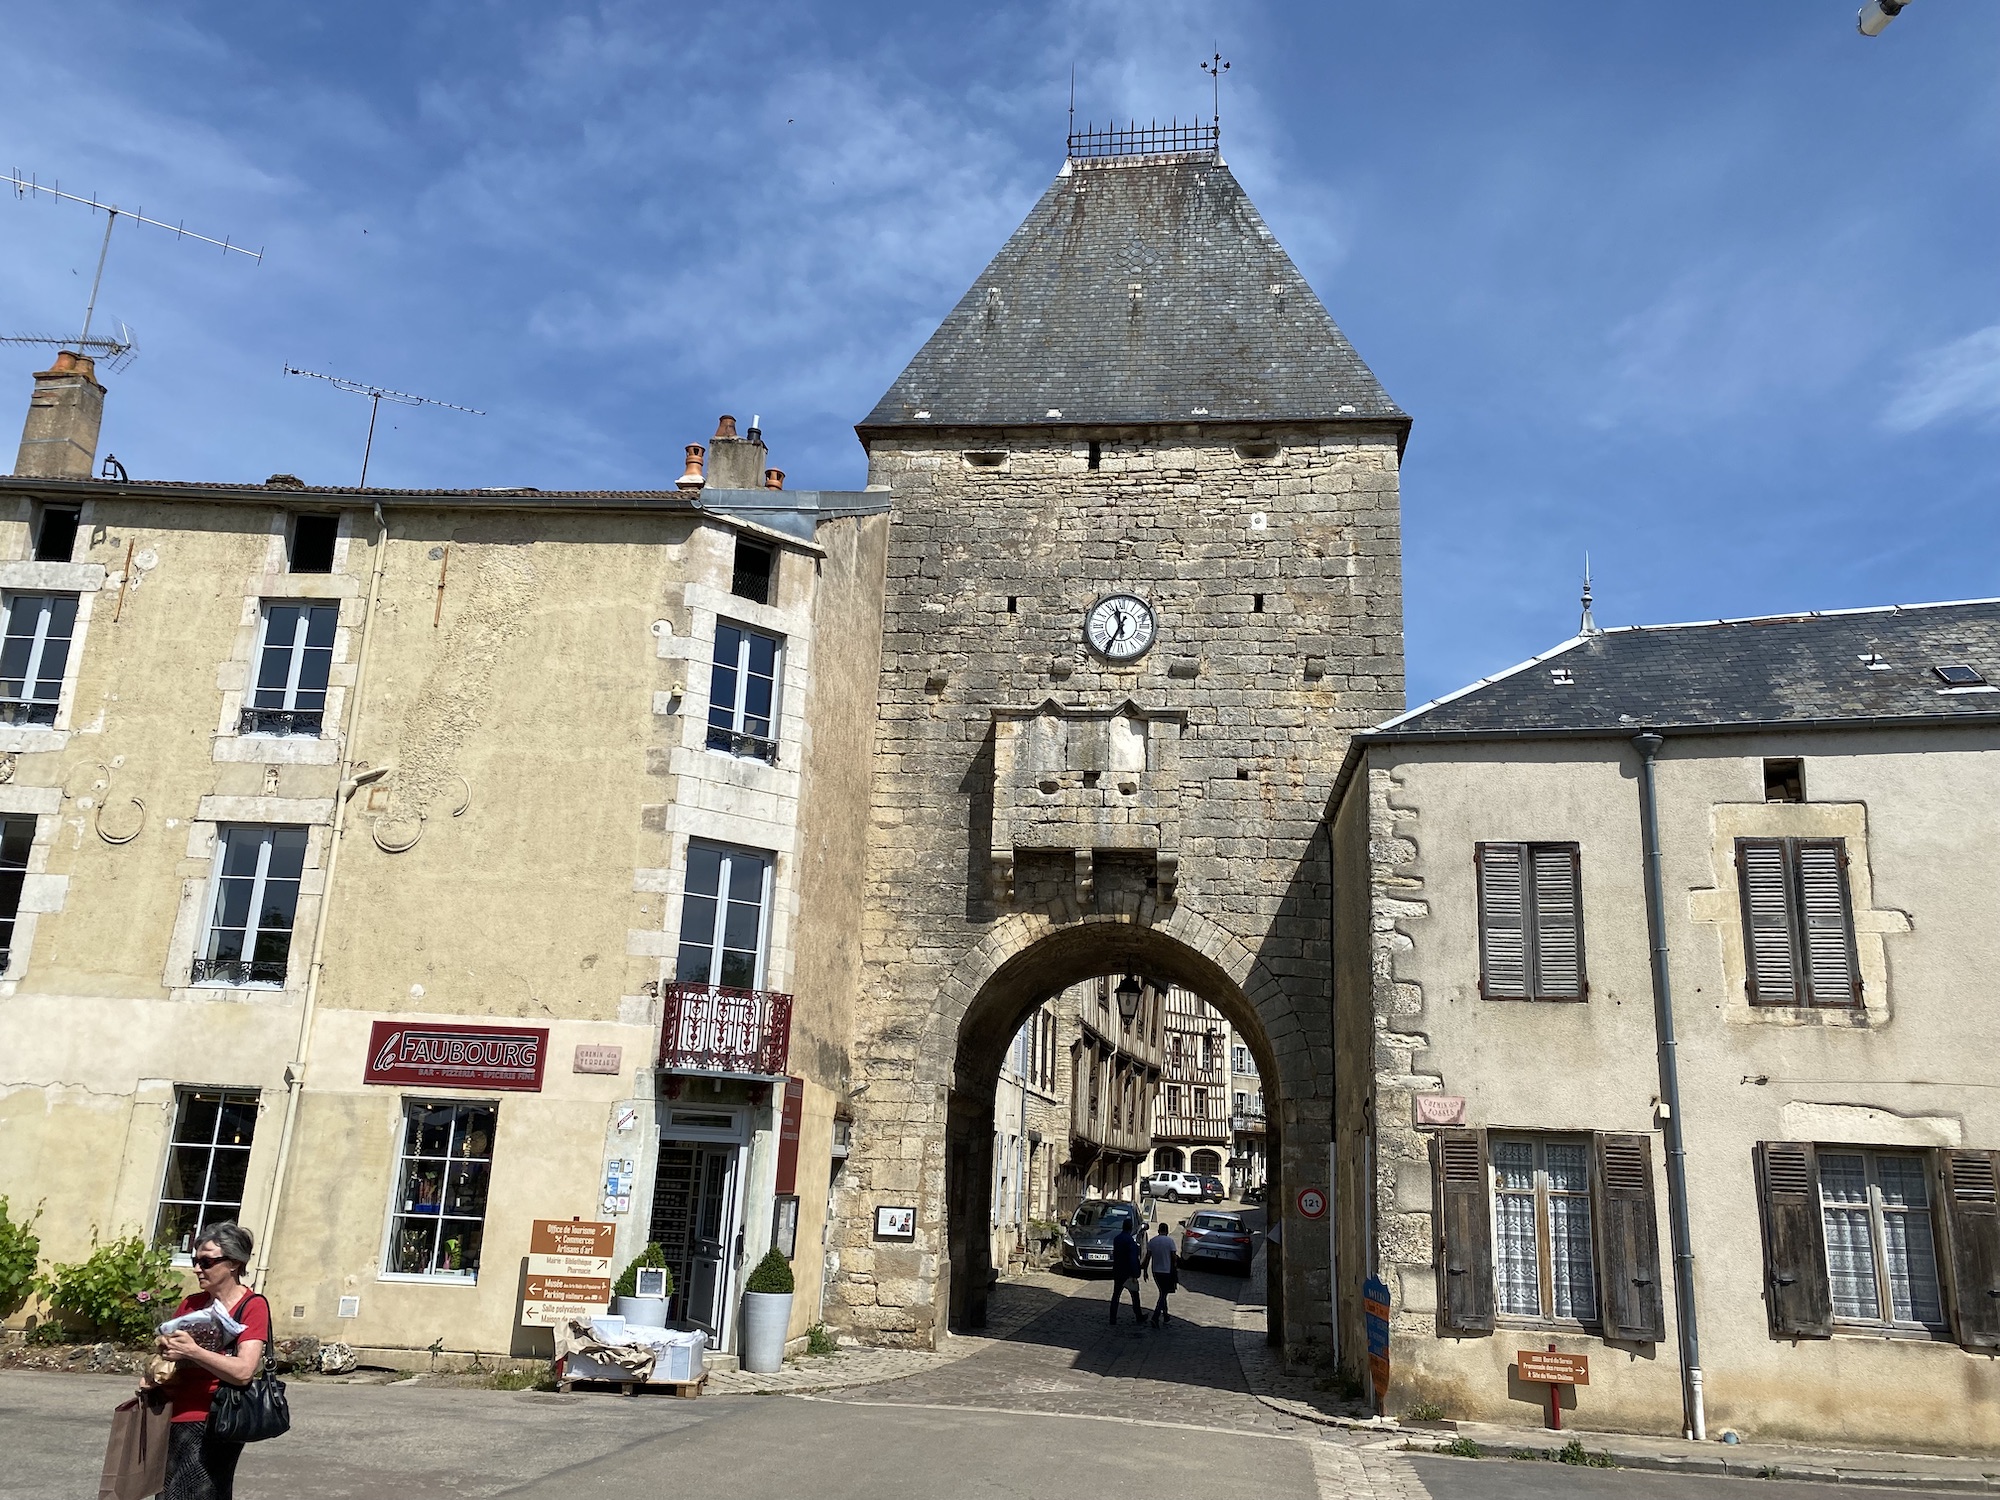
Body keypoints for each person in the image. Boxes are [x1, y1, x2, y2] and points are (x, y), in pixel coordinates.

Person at [141, 1221, 270, 1500]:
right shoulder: (191, 1304)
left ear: (234, 1263)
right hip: (176, 1414)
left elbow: (244, 1371)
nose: (197, 1268)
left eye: (206, 1261)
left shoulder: (252, 1306)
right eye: (195, 1260)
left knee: (189, 1494)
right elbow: (168, 1358)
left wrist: (194, 1352)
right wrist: (161, 1360)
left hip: (217, 1418)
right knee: (169, 1494)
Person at [1108, 1217, 1143, 1325]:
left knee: (1116, 1295)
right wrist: (1135, 1272)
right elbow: (1132, 1258)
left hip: (1118, 1270)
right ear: (1131, 1228)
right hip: (1128, 1272)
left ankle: (1112, 1317)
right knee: (1135, 1295)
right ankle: (1138, 1315)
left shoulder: (1117, 1239)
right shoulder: (1130, 1241)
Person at [1145, 1221, 1180, 1327]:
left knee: (1162, 1293)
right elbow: (1174, 1257)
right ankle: (1156, 1317)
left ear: (1158, 1230)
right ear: (1167, 1231)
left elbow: (1148, 1257)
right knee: (1163, 1294)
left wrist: (1145, 1270)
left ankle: (1165, 1316)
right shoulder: (1170, 1242)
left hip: (1156, 1270)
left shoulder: (1152, 1241)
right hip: (1166, 1271)